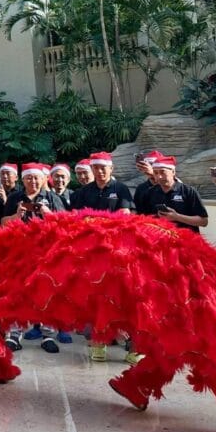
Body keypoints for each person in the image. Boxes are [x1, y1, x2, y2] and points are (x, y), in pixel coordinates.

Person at [2, 163, 71, 353]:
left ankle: (48, 334)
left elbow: (65, 224)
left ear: (42, 179)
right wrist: (17, 215)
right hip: (19, 251)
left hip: (46, 252)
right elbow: (3, 222)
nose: (32, 181)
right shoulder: (15, 197)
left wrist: (47, 214)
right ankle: (14, 334)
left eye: (36, 178)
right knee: (17, 292)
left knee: (46, 292)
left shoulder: (52, 197)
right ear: (23, 179)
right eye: (29, 178)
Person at [70, 152, 133, 361]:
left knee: (121, 294)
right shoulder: (83, 192)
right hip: (91, 252)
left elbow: (125, 216)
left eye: (103, 168)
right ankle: (99, 340)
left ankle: (129, 340)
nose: (99, 171)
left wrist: (95, 222)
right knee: (95, 295)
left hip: (116, 251)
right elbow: (75, 220)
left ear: (111, 169)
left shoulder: (121, 189)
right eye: (96, 168)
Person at [136, 155, 208, 233]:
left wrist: (177, 217)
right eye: (155, 173)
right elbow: (143, 219)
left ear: (173, 172)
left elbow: (203, 221)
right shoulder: (149, 193)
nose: (159, 176)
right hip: (159, 241)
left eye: (162, 172)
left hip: (186, 241)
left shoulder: (188, 191)